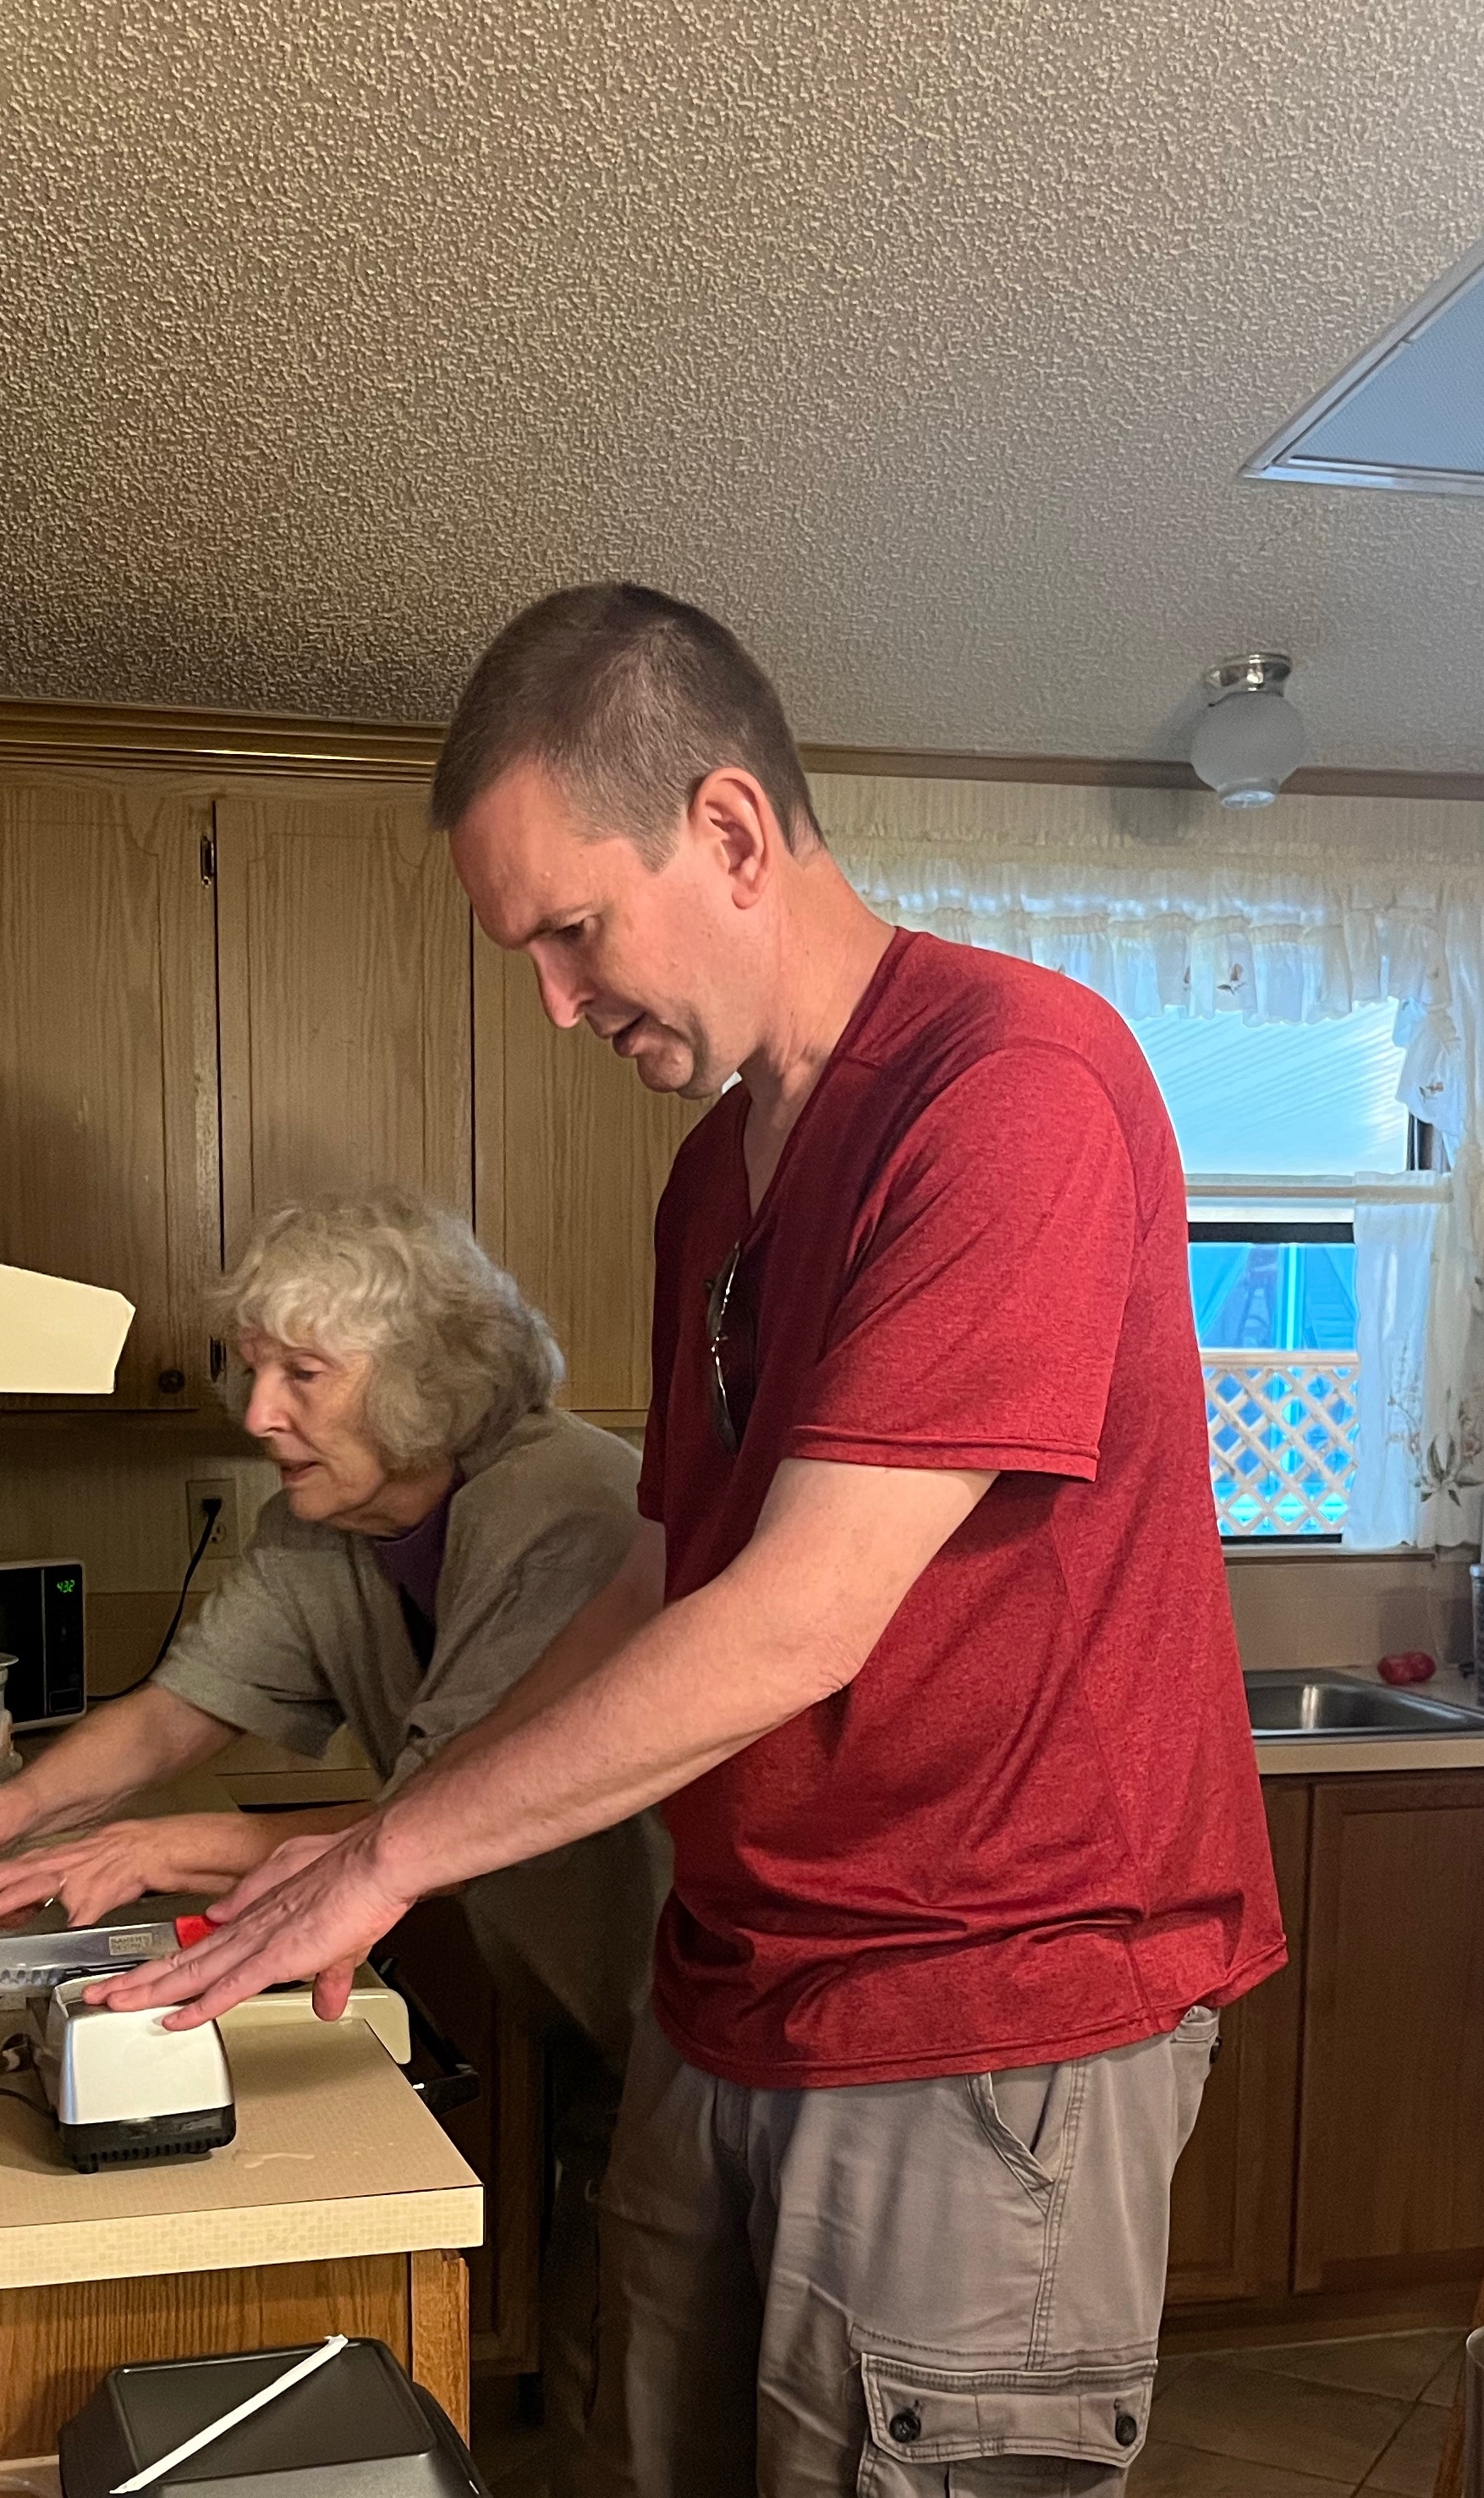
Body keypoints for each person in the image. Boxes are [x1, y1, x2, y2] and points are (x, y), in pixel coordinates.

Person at [90, 584, 1287, 2498]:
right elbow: (666, 1576)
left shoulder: (1011, 1089)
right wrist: (384, 1838)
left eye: (571, 932)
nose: (557, 1004)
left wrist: (386, 1853)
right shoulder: (710, 1184)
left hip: (978, 2013)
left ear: (729, 829)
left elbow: (796, 1619)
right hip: (728, 1988)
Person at [0, 1187, 668, 2485]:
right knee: (600, 2358)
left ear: (427, 1378)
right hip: (592, 2012)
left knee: (646, 2389)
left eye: (302, 1375)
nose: (255, 1412)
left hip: (682, 2008)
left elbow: (455, 1813)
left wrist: (154, 1851)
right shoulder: (328, 1523)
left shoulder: (563, 1509)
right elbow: (180, 1712)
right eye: (252, 1369)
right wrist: (15, 1806)